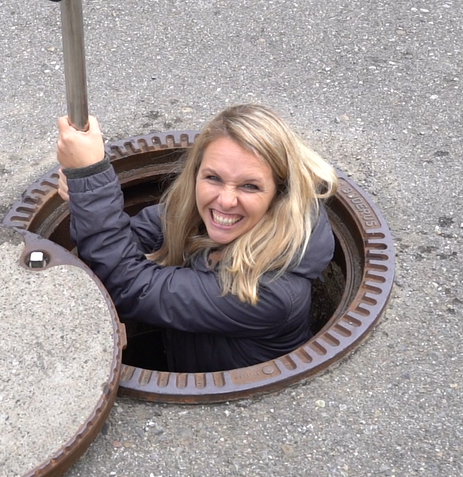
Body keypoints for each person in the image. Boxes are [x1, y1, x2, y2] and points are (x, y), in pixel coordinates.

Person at [56, 103, 339, 373]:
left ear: (280, 195)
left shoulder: (271, 293)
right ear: (196, 173)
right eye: (213, 178)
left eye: (250, 186)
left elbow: (130, 286)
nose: (226, 201)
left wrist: (90, 177)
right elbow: (127, 245)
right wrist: (88, 197)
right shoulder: (197, 211)